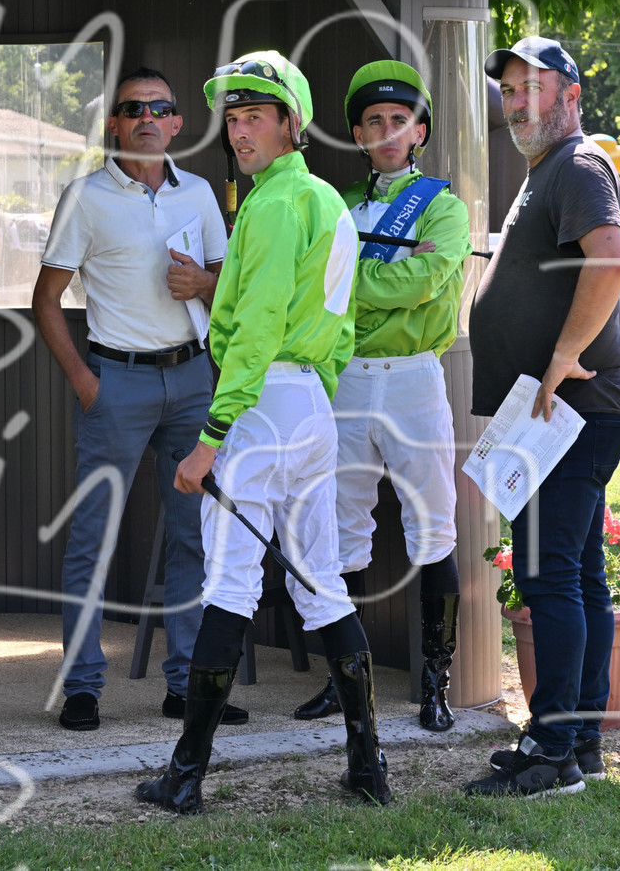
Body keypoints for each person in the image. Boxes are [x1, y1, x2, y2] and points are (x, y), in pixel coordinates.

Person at [137, 52, 388, 815]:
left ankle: (186, 777)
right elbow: (341, 324)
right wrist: (310, 397)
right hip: (310, 405)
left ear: (290, 125)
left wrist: (212, 437)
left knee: (229, 585)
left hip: (262, 402)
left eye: (255, 117)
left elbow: (256, 329)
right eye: (234, 118)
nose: (240, 131)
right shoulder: (326, 201)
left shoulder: (276, 204)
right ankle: (367, 766)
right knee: (322, 583)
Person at [33, 67, 241, 732]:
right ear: (114, 125)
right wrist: (84, 380)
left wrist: (202, 283)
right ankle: (82, 687)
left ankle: (186, 685)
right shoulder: (86, 196)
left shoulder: (199, 192)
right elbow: (46, 299)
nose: (147, 118)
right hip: (115, 381)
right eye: (133, 109)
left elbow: (229, 287)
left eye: (159, 108)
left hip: (191, 379)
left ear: (177, 122)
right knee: (92, 539)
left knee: (192, 535)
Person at [464, 37, 620, 798]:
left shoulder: (579, 164)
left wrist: (564, 354)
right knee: (579, 574)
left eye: (531, 87)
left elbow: (610, 258)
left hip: (572, 408)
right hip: (557, 412)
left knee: (549, 574)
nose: (516, 103)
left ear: (570, 94)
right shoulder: (547, 171)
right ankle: (581, 740)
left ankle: (551, 750)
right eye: (507, 91)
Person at [288, 61, 471, 732]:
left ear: (419, 131)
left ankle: (436, 684)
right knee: (340, 531)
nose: (387, 131)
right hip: (347, 379)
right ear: (358, 134)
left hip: (416, 378)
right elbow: (321, 289)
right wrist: (390, 275)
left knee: (433, 527)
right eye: (374, 122)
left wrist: (350, 280)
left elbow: (422, 283)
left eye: (400, 120)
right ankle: (346, 682)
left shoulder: (445, 206)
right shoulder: (336, 205)